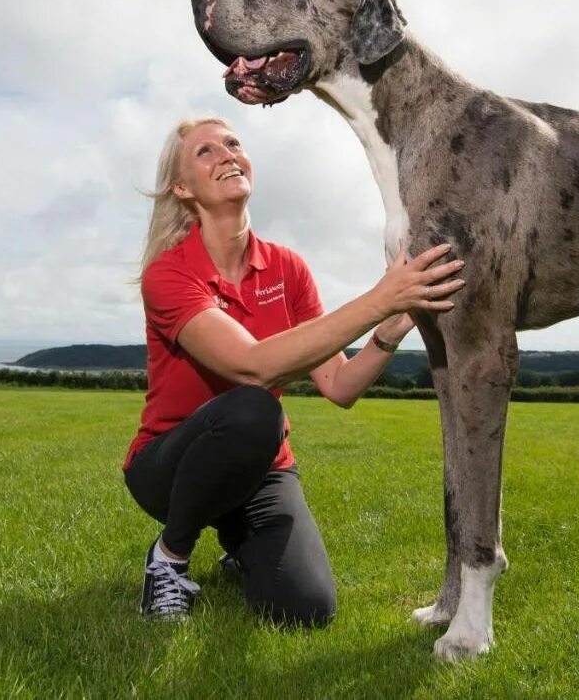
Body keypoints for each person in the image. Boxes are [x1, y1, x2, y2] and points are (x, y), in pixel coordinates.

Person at [124, 117, 463, 625]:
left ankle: (239, 545)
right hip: (168, 468)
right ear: (182, 188)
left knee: (305, 609)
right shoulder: (169, 274)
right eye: (206, 152)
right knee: (255, 408)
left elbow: (340, 386)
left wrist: (390, 328)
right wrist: (379, 298)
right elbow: (250, 367)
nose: (227, 155)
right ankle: (170, 558)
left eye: (234, 144)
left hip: (260, 470)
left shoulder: (287, 268)